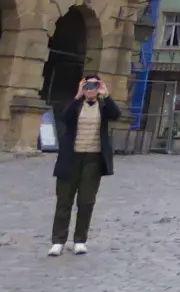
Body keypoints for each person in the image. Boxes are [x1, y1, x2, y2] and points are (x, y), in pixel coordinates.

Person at [50, 73, 121, 256]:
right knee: (64, 200)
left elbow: (116, 114)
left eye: (93, 86)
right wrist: (77, 96)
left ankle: (79, 240)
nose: (90, 89)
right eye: (87, 86)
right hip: (70, 158)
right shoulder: (76, 105)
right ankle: (58, 240)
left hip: (93, 159)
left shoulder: (103, 106)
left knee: (86, 201)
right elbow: (64, 118)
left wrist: (106, 94)